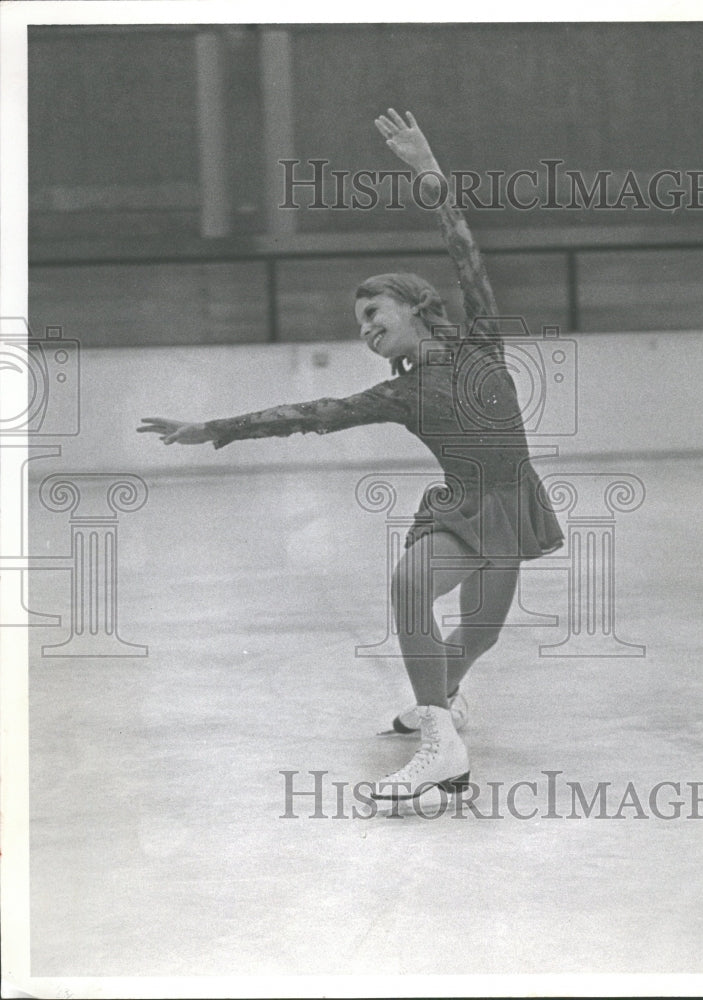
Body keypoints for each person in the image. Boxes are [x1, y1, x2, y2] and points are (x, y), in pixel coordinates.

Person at [138, 109, 563, 801]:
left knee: (479, 638)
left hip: (515, 506)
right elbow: (308, 415)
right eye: (359, 323)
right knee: (409, 583)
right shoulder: (398, 395)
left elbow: (465, 252)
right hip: (461, 511)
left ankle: (440, 700)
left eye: (374, 316)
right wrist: (212, 427)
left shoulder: (480, 340)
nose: (365, 331)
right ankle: (439, 743)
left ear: (418, 307)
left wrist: (427, 171)